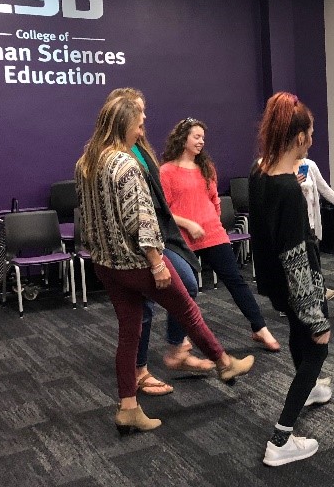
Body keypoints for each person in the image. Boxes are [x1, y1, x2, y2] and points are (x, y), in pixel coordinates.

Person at [74, 96, 254, 434]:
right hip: (139, 262)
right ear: (123, 125)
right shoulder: (125, 164)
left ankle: (128, 406)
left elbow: (88, 217)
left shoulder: (87, 163)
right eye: (139, 123)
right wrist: (157, 263)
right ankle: (224, 363)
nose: (143, 127)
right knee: (187, 310)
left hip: (107, 265)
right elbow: (139, 220)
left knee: (129, 333)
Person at [105, 87, 214, 397]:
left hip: (159, 234)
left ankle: (175, 349)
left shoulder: (140, 147)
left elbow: (155, 201)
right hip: (139, 242)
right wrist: (154, 260)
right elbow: (134, 210)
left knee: (188, 284)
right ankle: (140, 371)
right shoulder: (117, 156)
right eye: (139, 113)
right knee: (142, 309)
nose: (144, 118)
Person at [250, 92, 331, 466]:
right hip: (297, 285)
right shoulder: (287, 188)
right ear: (299, 137)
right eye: (310, 134)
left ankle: (311, 388)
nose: (312, 140)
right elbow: (295, 259)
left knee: (301, 338)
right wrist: (315, 316)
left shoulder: (259, 172)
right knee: (317, 347)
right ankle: (280, 440)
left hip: (273, 283)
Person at [159, 118, 280, 352]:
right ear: (183, 138)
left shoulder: (206, 168)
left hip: (212, 234)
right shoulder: (166, 172)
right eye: (196, 136)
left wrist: (213, 221)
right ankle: (179, 339)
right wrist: (189, 224)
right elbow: (162, 212)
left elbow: (214, 201)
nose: (201, 141)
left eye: (203, 137)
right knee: (184, 290)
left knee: (236, 281)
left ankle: (259, 328)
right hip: (182, 238)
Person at [295, 156, 334, 300]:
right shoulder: (279, 166)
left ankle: (318, 292)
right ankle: (292, 301)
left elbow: (325, 189)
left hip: (310, 223)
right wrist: (292, 184)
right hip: (291, 225)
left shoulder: (309, 165)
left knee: (313, 260)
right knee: (296, 263)